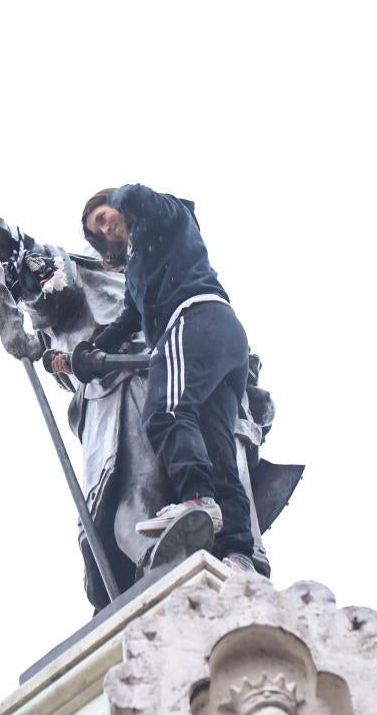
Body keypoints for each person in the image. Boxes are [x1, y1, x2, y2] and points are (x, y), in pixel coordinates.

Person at [80, 184, 256, 572]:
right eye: (97, 231)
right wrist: (89, 353)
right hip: (225, 342)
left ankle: (197, 498)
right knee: (218, 451)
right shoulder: (138, 270)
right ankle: (239, 552)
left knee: (165, 410)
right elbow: (128, 319)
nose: (105, 229)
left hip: (194, 319)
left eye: (103, 217)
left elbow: (141, 197)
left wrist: (121, 196)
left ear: (116, 206)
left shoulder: (166, 216)